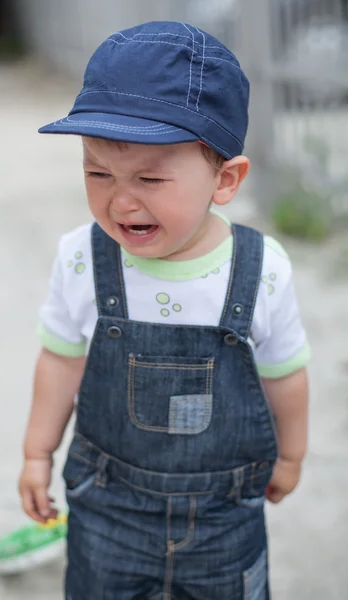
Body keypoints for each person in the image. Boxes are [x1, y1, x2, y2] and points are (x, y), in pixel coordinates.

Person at [18, 21, 310, 599]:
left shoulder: (260, 269)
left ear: (225, 179)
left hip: (224, 519)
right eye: (97, 173)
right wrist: (36, 453)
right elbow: (60, 360)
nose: (120, 200)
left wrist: (293, 454)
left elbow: (286, 374)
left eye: (150, 178)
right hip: (107, 510)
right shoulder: (82, 258)